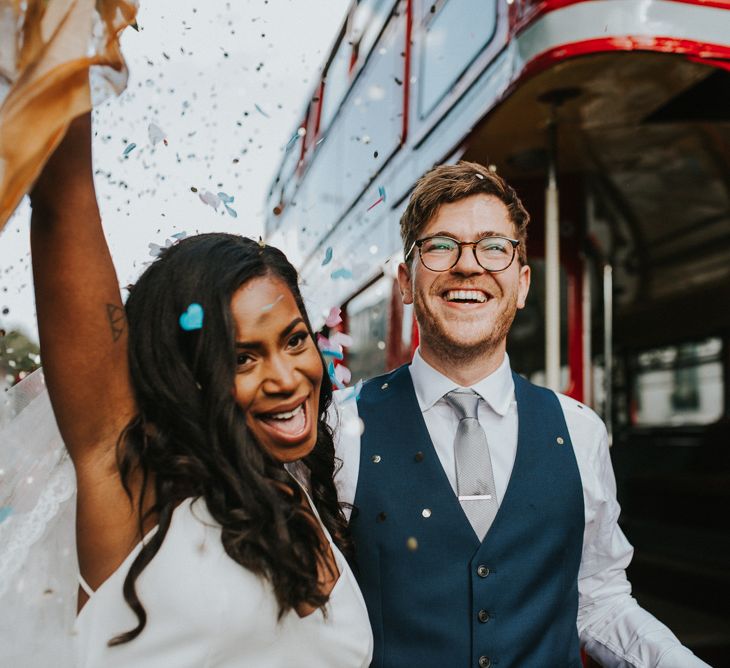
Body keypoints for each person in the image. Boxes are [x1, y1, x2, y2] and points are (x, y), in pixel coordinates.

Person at [11, 112, 373, 667]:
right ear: (187, 373)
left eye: (294, 340)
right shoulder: (133, 481)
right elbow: (65, 205)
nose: (285, 377)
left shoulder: (298, 489)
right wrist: (70, 54)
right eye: (243, 357)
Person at [332, 161, 710, 668]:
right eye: (441, 246)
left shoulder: (580, 431)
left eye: (494, 247)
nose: (468, 266)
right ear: (406, 280)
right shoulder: (339, 429)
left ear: (523, 282)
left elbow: (598, 599)